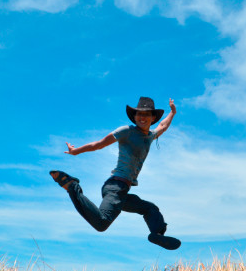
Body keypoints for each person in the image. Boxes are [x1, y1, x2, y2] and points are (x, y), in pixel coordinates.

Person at [50, 96, 181, 250]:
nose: (142, 117)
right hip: (115, 187)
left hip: (123, 192)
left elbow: (163, 126)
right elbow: (99, 144)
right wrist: (76, 151)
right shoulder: (126, 131)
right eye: (139, 114)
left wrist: (173, 113)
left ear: (152, 118)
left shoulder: (150, 136)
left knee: (151, 209)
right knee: (101, 223)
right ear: (134, 117)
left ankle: (157, 235)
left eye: (146, 115)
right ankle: (72, 186)